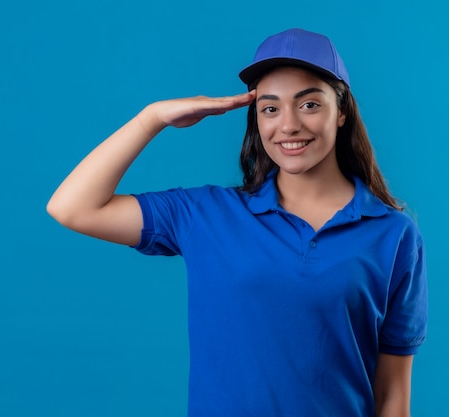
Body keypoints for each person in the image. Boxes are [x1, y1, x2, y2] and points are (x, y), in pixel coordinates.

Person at [47, 28, 428, 417]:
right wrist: (153, 118)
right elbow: (73, 207)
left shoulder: (393, 234)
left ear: (342, 111)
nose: (289, 125)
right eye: (270, 108)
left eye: (309, 104)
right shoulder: (205, 214)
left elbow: (393, 396)